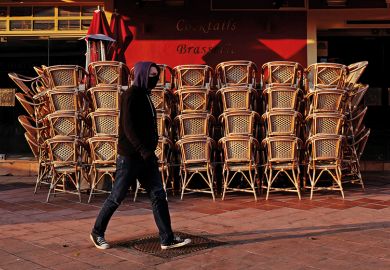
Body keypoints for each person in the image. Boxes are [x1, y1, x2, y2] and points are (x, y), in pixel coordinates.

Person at [90, 61, 191, 250]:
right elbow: (129, 128)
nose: (155, 78)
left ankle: (166, 238)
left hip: (146, 157)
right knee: (116, 197)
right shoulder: (131, 95)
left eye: (156, 75)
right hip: (130, 157)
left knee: (158, 195)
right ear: (143, 75)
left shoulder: (146, 95)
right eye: (151, 75)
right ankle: (97, 232)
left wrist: (150, 151)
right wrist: (144, 150)